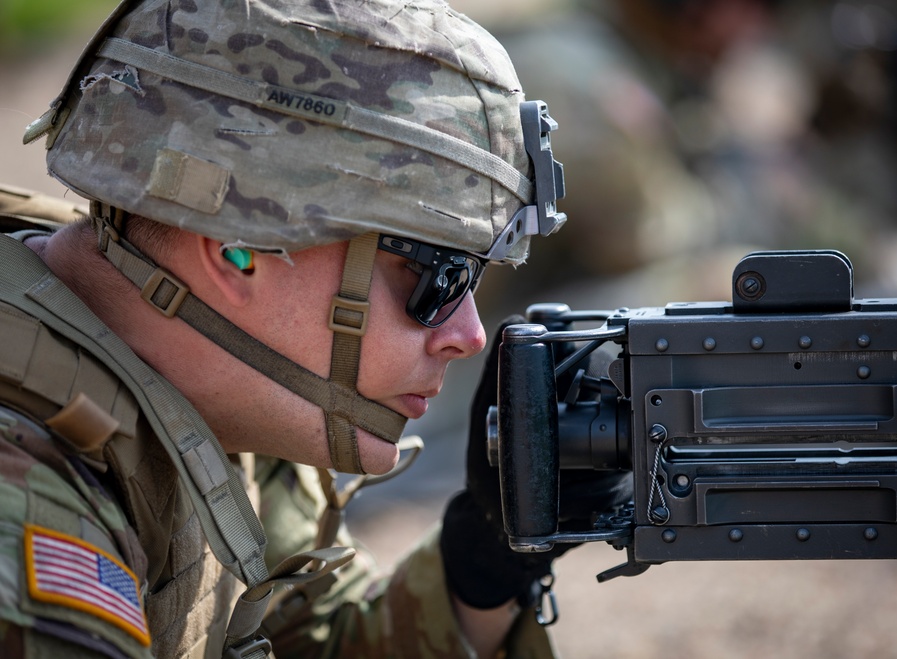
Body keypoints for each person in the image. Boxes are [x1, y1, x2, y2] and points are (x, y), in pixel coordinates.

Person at [0, 0, 624, 656]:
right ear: (238, 250)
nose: (467, 335)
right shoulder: (25, 497)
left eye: (475, 279)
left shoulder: (211, 372)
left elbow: (315, 637)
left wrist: (485, 565)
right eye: (436, 275)